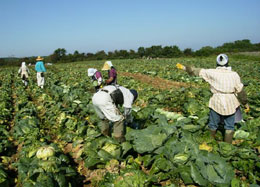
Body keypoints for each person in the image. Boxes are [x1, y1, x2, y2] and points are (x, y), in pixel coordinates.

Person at [177, 54, 249, 143]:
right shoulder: (234, 75)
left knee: (213, 124)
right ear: (227, 62)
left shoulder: (211, 72)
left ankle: (210, 142)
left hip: (216, 100)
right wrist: (245, 104)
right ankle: (228, 144)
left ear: (217, 63)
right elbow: (240, 92)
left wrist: (183, 67)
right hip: (231, 101)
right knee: (229, 126)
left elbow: (195, 71)